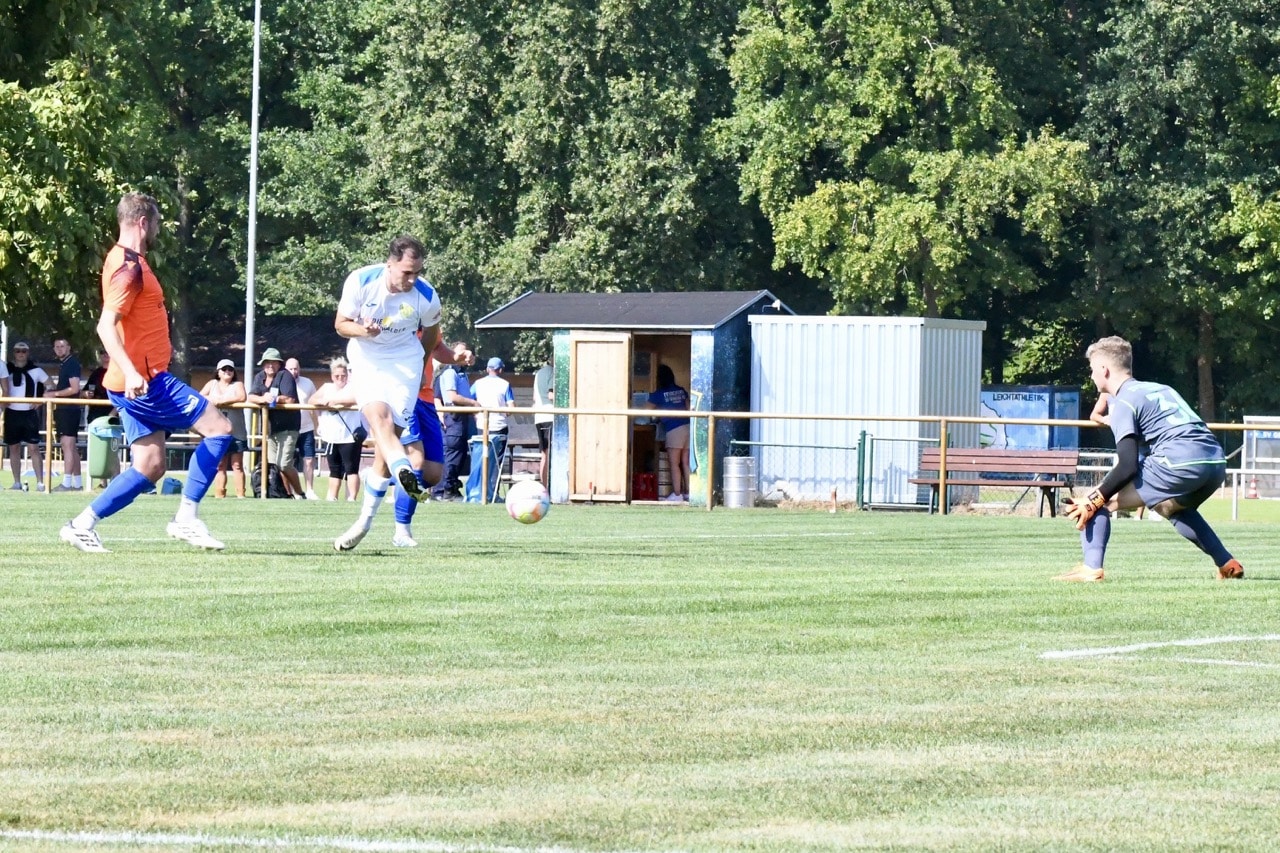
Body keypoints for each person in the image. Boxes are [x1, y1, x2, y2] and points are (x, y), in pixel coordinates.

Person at [59, 191, 234, 552]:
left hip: (130, 382)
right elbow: (106, 327)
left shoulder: (124, 260)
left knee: (151, 465)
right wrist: (134, 371)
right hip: (146, 380)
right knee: (219, 429)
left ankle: (81, 524)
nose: (156, 229)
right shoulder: (129, 268)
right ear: (143, 222)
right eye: (155, 223)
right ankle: (186, 518)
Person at [1057, 335, 1243, 582]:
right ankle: (1227, 564)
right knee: (1172, 508)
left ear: (1104, 370)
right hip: (1215, 463)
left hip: (1179, 461)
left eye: (1092, 370)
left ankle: (1091, 569)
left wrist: (1094, 498)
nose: (1091, 376)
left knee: (1097, 502)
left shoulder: (1123, 401)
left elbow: (1127, 465)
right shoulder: (1161, 389)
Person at [331, 234, 469, 551]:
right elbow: (340, 324)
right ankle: (403, 473)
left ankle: (364, 521)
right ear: (390, 263)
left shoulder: (426, 295)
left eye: (417, 272)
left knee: (386, 444)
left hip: (404, 364)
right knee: (380, 421)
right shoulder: (361, 280)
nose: (412, 279)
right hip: (366, 358)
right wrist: (363, 330)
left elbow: (432, 336)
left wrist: (419, 366)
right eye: (406, 272)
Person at [246, 347, 305, 499]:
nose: (270, 365)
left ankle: (300, 493)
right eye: (267, 362)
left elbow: (290, 399)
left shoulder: (285, 376)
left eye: (273, 362)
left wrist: (276, 398)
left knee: (284, 464)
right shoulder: (260, 377)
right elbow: (251, 396)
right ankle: (283, 494)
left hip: (288, 427)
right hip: (270, 428)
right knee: (273, 465)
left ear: (279, 364)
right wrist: (263, 399)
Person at [311, 357, 365, 502]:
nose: (340, 378)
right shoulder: (327, 387)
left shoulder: (353, 387)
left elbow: (356, 399)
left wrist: (336, 401)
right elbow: (311, 400)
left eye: (343, 375)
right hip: (331, 436)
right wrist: (322, 402)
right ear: (332, 376)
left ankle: (352, 498)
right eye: (337, 376)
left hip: (350, 435)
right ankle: (332, 497)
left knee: (351, 469)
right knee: (334, 470)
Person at [429, 340, 476, 501]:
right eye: (461, 353)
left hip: (461, 417)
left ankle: (449, 489)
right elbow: (452, 397)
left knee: (458, 453)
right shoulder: (449, 372)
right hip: (454, 416)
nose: (465, 356)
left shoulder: (461, 373)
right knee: (453, 453)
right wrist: (474, 403)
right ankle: (445, 490)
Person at [466, 356, 515, 503]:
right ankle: (493, 494)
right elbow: (510, 409)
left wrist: (476, 415)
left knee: (479, 460)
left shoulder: (478, 384)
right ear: (500, 370)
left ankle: (477, 492)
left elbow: (470, 401)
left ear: (487, 369)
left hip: (481, 427)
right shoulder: (505, 384)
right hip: (499, 427)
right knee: (496, 463)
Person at [199, 358, 249, 498]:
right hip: (217, 432)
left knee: (237, 465)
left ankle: (241, 495)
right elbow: (200, 397)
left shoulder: (238, 384)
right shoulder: (212, 384)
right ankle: (219, 494)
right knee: (220, 465)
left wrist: (221, 401)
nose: (227, 372)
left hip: (237, 431)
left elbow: (241, 397)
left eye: (230, 369)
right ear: (218, 372)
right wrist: (212, 400)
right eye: (224, 369)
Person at [5, 342, 48, 491]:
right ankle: (16, 482)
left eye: (23, 351)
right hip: (11, 411)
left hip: (29, 413)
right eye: (18, 351)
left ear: (28, 353)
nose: (21, 354)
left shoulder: (36, 371)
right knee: (14, 447)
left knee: (33, 448)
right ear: (14, 353)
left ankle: (40, 483)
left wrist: (41, 400)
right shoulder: (7, 369)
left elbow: (51, 385)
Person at [647, 364, 691, 502]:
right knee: (685, 463)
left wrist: (658, 415)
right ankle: (688, 493)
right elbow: (689, 407)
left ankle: (677, 494)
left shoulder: (658, 394)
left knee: (673, 463)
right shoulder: (682, 391)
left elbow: (646, 410)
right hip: (687, 427)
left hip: (673, 429)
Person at [46, 337, 85, 491]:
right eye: (57, 346)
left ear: (69, 347)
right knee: (70, 446)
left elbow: (74, 389)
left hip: (69, 409)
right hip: (63, 409)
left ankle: (66, 483)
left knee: (67, 445)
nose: (59, 349)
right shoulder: (64, 364)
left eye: (62, 346)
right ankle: (77, 483)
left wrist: (53, 394)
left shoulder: (72, 363)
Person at [285, 357, 320, 499]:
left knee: (309, 459)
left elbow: (316, 404)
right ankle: (295, 492)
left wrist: (320, 423)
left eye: (296, 368)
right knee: (288, 462)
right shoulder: (281, 382)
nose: (294, 371)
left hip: (306, 428)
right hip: (288, 429)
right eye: (291, 369)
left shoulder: (308, 383)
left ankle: (310, 490)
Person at [532, 355, 554, 488]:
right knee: (550, 453)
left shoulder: (538, 373)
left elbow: (535, 397)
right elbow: (551, 395)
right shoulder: (553, 372)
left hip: (539, 416)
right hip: (550, 416)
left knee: (544, 454)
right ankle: (549, 488)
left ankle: (544, 487)